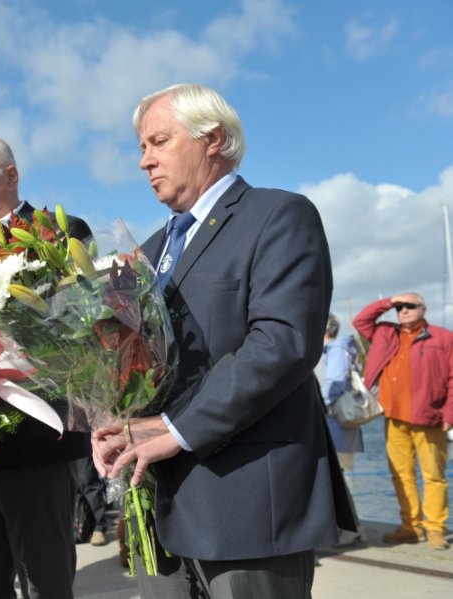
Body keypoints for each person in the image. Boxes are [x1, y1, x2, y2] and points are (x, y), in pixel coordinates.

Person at [91, 84, 355, 598]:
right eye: (142, 147)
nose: (145, 161)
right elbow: (124, 361)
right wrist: (107, 416)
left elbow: (282, 343)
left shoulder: (278, 215)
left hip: (247, 500)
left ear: (212, 139)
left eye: (158, 142)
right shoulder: (145, 252)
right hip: (157, 505)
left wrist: (176, 427)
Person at [0, 135, 92, 598]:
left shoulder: (60, 233)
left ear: (10, 175)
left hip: (36, 444)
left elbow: (82, 323)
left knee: (47, 584)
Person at [353, 293, 453, 550]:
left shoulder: (443, 337)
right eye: (400, 307)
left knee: (434, 476)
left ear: (423, 309)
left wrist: (450, 414)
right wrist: (389, 301)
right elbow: (361, 321)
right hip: (394, 417)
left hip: (429, 417)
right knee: (401, 475)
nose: (404, 311)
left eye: (410, 306)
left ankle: (435, 529)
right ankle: (410, 526)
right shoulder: (386, 333)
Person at [318, 314, 364, 472]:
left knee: (333, 473)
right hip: (339, 424)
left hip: (334, 422)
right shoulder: (338, 350)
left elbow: (335, 384)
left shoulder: (336, 350)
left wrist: (318, 408)